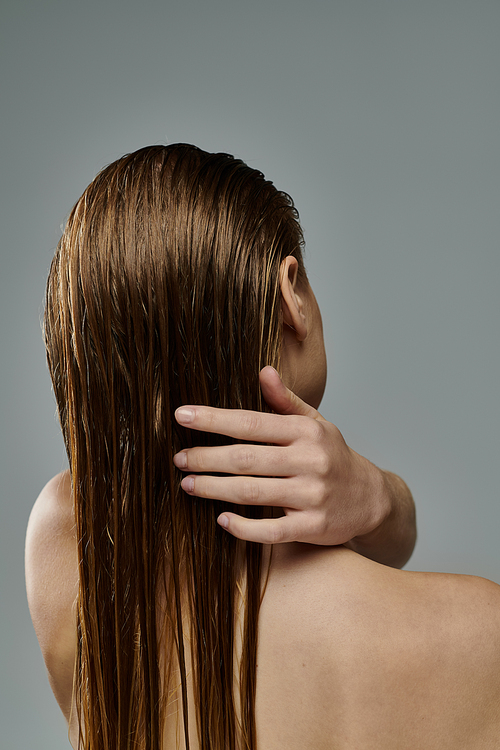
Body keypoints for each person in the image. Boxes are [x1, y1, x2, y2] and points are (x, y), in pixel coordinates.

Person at [25, 144, 500, 750]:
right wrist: (384, 496)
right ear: (289, 294)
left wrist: (378, 498)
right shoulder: (479, 634)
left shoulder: (68, 537)